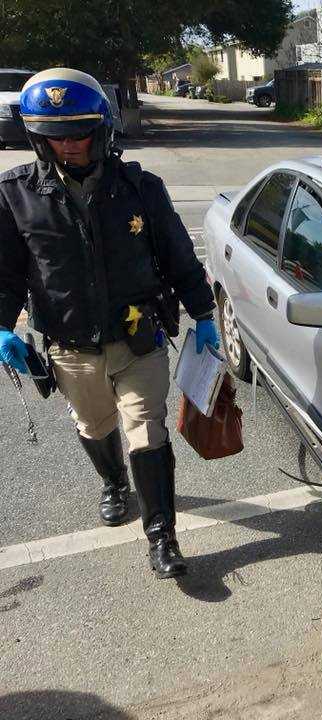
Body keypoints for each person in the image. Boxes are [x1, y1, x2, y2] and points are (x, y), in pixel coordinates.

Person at [0, 68, 219, 579]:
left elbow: (178, 256)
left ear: (102, 130)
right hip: (70, 344)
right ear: (37, 138)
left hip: (138, 337)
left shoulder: (141, 188)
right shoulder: (13, 196)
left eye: (79, 133)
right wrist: (2, 325)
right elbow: (6, 274)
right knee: (94, 426)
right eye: (56, 137)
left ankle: (162, 536)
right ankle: (115, 483)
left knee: (147, 431)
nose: (70, 145)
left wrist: (205, 316)